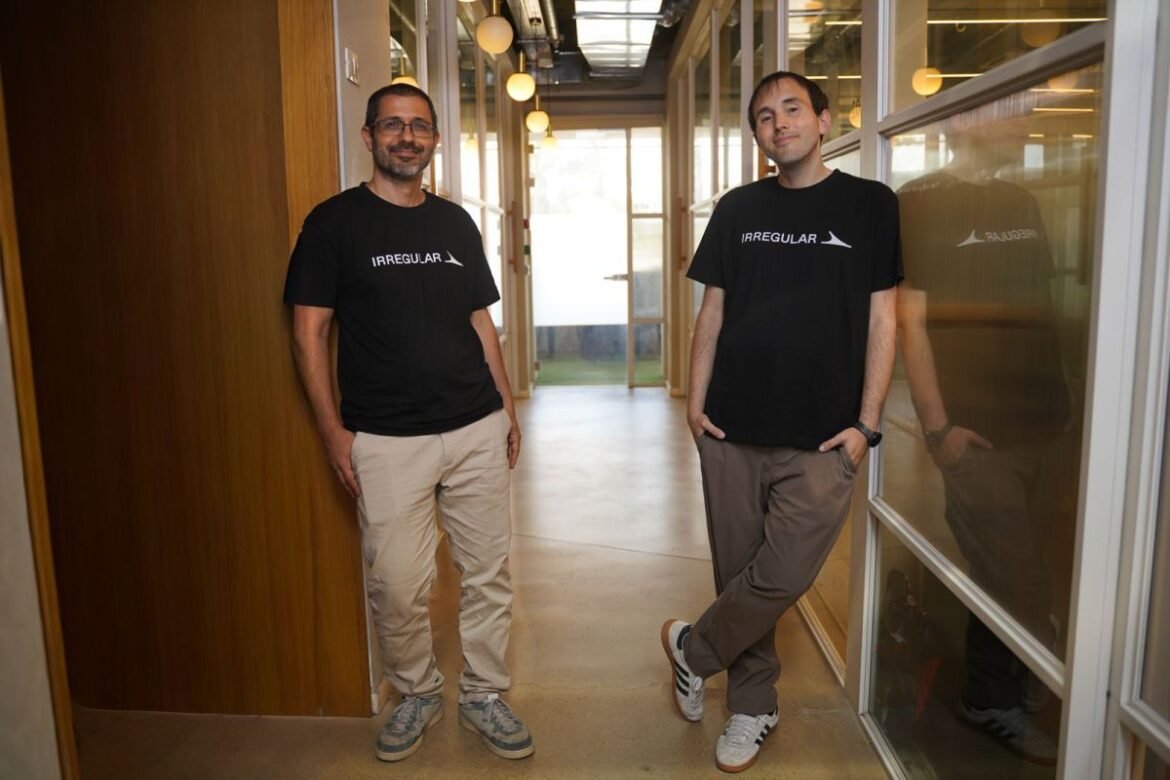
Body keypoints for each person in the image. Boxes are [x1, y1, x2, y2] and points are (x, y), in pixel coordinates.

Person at [283, 83, 532, 764]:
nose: (406, 137)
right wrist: (334, 433)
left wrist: (505, 407)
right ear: (368, 137)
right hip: (386, 438)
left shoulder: (454, 224)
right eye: (392, 125)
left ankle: (484, 693)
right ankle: (417, 691)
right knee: (396, 580)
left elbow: (481, 319)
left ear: (434, 140)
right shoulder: (333, 224)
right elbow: (309, 333)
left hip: (474, 424)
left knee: (488, 573)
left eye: (419, 126)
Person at [661, 71, 901, 773]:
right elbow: (714, 309)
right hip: (732, 428)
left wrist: (866, 424)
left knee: (779, 575)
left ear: (824, 120)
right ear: (758, 134)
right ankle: (753, 706)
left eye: (792, 108)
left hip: (826, 436)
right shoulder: (738, 208)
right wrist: (694, 402)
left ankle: (690, 650)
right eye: (764, 116)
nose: (779, 123)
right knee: (739, 571)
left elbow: (884, 315)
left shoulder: (871, 206)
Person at [897, 117, 1075, 765]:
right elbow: (908, 323)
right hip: (974, 432)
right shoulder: (919, 201)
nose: (1025, 124)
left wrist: (1072, 406)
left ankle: (998, 684)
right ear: (964, 124)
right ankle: (992, 697)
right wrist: (937, 426)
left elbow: (1042, 307)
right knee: (1017, 579)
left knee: (1018, 575)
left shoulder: (1021, 201)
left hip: (1047, 424)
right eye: (1011, 112)